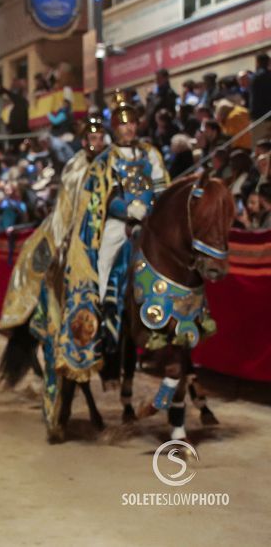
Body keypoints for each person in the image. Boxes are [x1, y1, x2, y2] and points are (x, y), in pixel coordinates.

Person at [0, 113, 108, 435]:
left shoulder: (112, 165)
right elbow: (64, 207)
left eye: (99, 136)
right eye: (89, 137)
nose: (94, 141)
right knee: (36, 256)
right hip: (68, 238)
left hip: (104, 236)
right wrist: (61, 242)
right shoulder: (74, 165)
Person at [63, 89, 167, 386]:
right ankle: (103, 300)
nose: (128, 127)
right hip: (118, 223)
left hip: (149, 219)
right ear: (115, 128)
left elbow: (161, 185)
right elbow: (101, 197)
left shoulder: (151, 153)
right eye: (123, 123)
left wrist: (152, 208)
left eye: (132, 122)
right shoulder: (106, 160)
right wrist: (125, 209)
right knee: (107, 257)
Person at [252, 52, 271, 141]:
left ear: (257, 62)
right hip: (268, 114)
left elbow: (254, 99)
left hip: (259, 118)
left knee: (261, 143)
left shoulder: (255, 77)